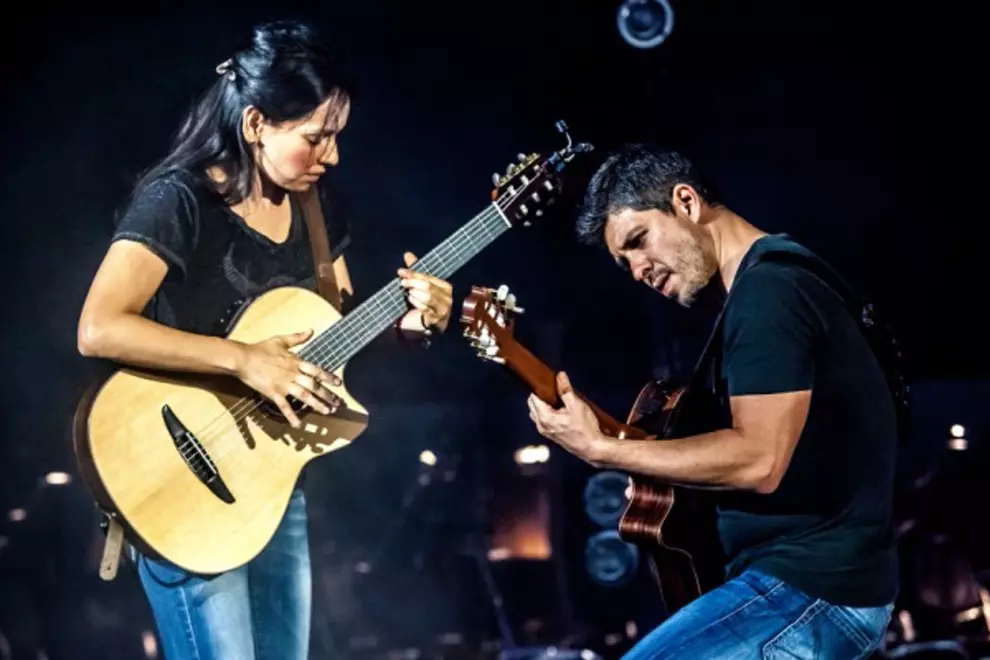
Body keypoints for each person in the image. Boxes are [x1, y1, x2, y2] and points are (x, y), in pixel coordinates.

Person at [76, 19, 454, 660]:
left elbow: (342, 324)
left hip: (274, 488)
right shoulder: (179, 199)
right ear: (255, 124)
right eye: (315, 137)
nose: (330, 156)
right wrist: (245, 360)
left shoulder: (317, 207)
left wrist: (410, 323)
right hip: (178, 481)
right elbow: (99, 327)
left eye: (335, 137)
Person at [526, 144, 898, 658]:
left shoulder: (770, 293)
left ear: (686, 202)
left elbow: (758, 459)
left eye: (639, 241)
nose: (637, 270)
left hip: (809, 591)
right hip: (806, 587)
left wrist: (602, 451)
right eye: (623, 261)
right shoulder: (767, 287)